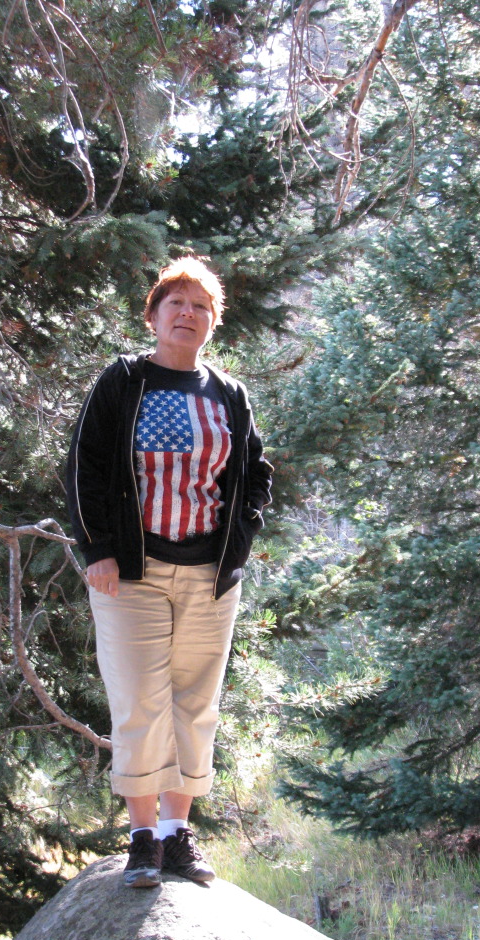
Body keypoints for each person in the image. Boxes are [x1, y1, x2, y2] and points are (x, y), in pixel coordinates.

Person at [66, 256, 273, 887]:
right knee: (139, 702)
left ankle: (176, 833)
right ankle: (140, 839)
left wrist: (239, 545)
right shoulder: (124, 380)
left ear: (213, 321)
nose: (188, 314)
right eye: (176, 304)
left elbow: (255, 475)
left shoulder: (228, 394)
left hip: (210, 575)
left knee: (195, 704)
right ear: (154, 316)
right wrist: (97, 548)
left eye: (200, 306)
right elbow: (83, 464)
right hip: (131, 572)